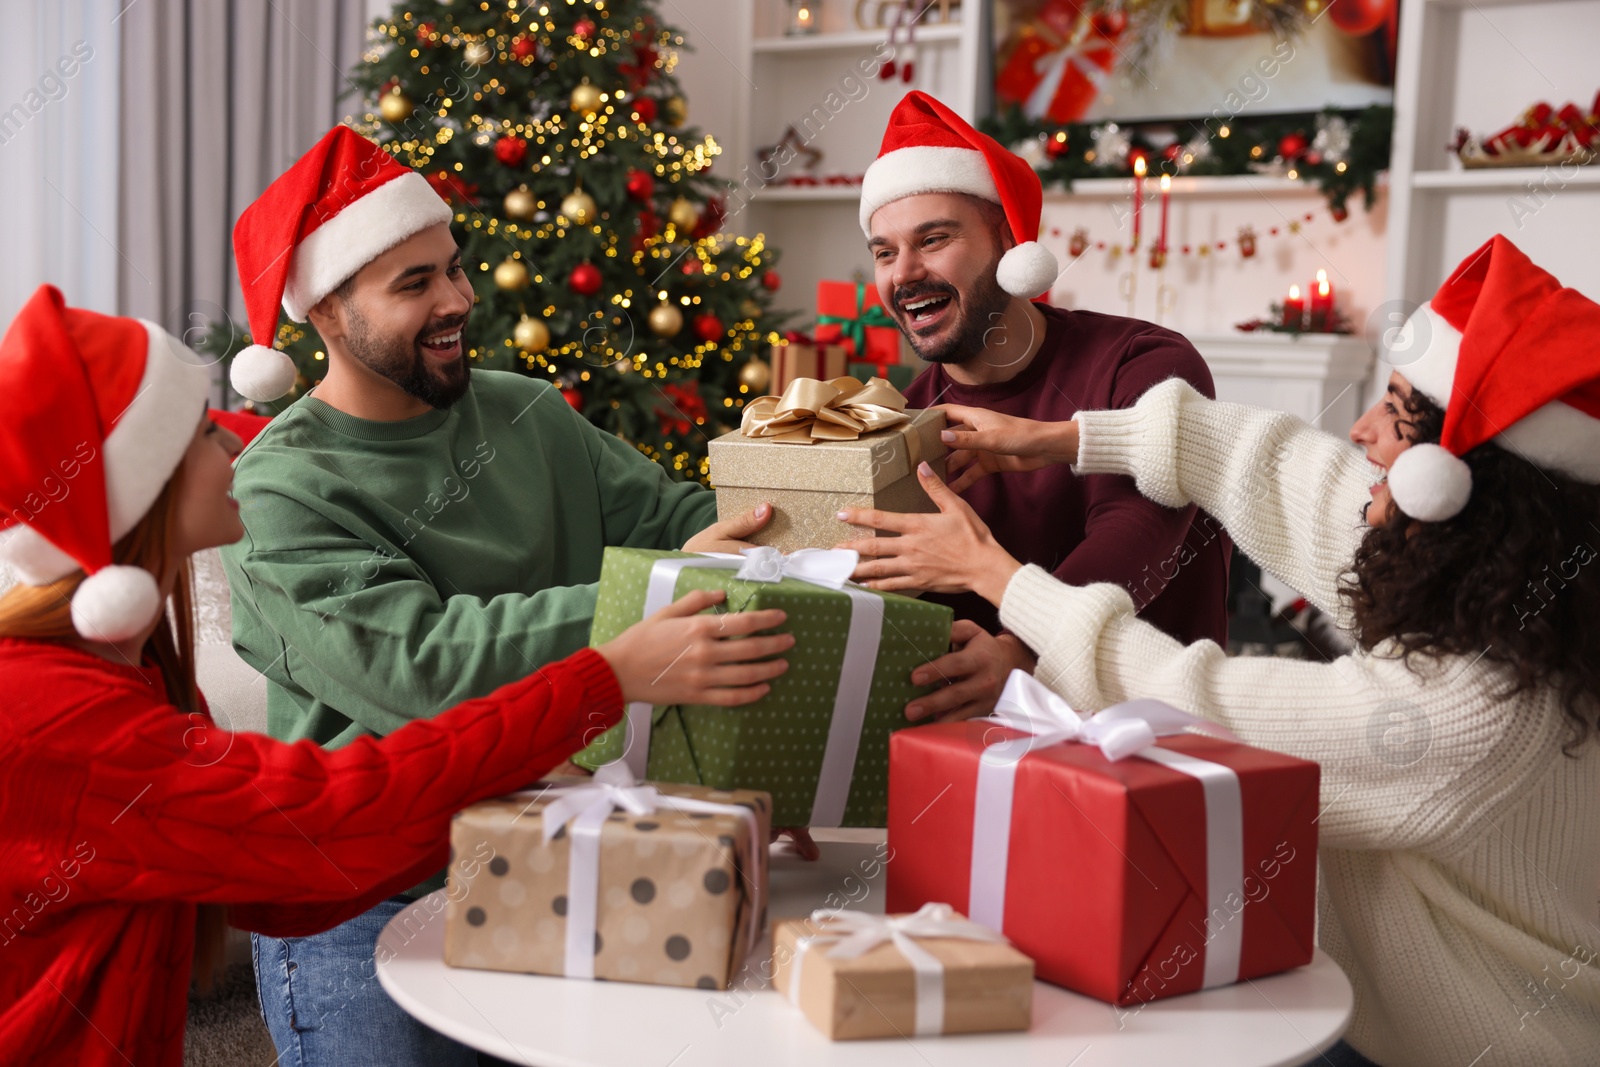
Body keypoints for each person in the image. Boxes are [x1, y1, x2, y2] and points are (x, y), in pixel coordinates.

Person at [843, 235, 1600, 1066]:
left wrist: (997, 576)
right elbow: (1275, 465)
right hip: (1360, 1000)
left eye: (1397, 413)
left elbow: (1203, 703)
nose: (1362, 430)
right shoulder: (1489, 577)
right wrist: (1052, 439)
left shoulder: (1480, 708)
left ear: (1464, 483)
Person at [0, 286, 792, 1067]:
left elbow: (272, 871)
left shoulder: (129, 668)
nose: (236, 445)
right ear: (144, 488)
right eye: (204, 433)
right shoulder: (59, 714)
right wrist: (604, 676)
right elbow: (331, 819)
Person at [215, 126, 801, 1065]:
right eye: (414, 285)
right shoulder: (279, 489)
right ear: (325, 311)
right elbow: (422, 662)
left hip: (564, 844)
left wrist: (825, 488)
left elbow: (680, 514)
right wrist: (637, 619)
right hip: (367, 887)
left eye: (453, 269)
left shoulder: (524, 412)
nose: (458, 301)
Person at [841, 90, 1231, 724]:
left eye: (933, 239)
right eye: (884, 253)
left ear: (1006, 240)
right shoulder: (908, 423)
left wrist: (1022, 653)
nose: (903, 273)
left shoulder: (1145, 364)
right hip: (980, 754)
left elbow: (1136, 535)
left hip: (1155, 746)